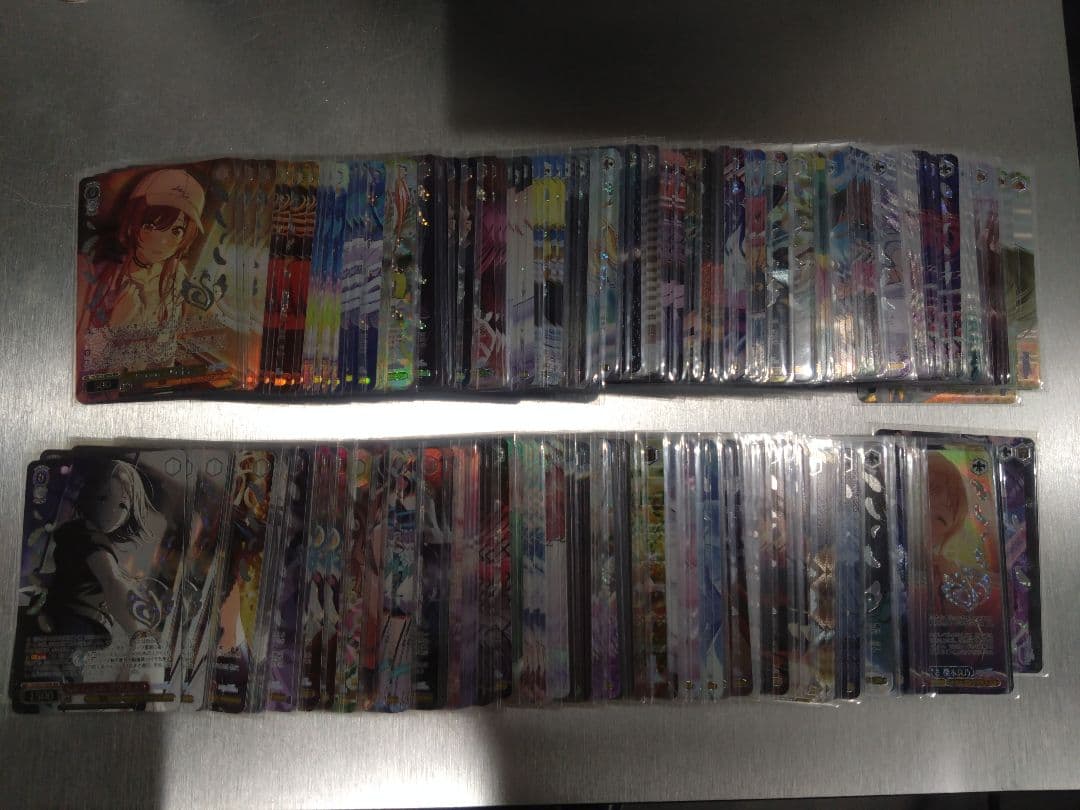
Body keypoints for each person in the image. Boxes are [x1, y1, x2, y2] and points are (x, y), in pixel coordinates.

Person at [78, 168, 206, 369]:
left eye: (176, 230)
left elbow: (166, 349)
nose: (162, 241)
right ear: (133, 224)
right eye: (151, 226)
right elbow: (85, 361)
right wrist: (114, 326)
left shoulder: (175, 275)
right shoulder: (103, 278)